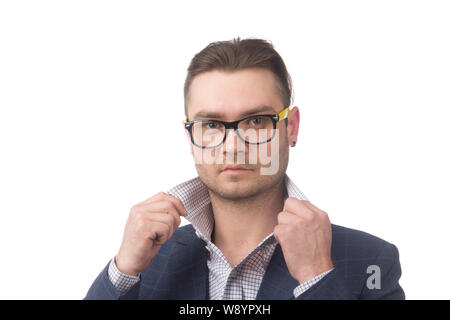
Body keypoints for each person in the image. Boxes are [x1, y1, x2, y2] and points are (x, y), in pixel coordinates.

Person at [85, 37, 405, 300]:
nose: (232, 145)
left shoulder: (371, 263)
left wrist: (316, 279)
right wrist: (123, 269)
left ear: (291, 128)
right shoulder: (145, 261)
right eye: (211, 124)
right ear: (191, 136)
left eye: (255, 121)